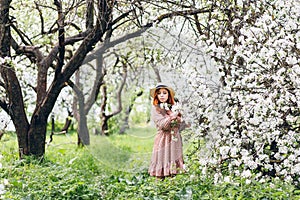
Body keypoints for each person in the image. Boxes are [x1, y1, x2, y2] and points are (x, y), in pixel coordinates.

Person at [148, 83, 185, 179]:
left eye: (164, 93)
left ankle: (173, 188)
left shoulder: (173, 108)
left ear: (169, 95)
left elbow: (181, 124)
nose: (162, 95)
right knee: (162, 159)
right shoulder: (156, 109)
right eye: (159, 93)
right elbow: (163, 125)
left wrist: (179, 115)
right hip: (163, 139)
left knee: (173, 165)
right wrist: (173, 115)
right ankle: (159, 189)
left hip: (175, 139)